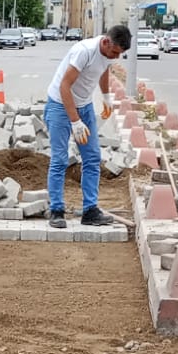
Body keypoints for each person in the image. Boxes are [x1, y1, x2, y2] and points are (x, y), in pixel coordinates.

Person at [44, 24, 131, 229]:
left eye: (120, 54)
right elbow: (64, 86)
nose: (116, 57)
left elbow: (103, 71)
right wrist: (75, 121)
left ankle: (90, 210)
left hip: (84, 106)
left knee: (92, 158)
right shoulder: (84, 52)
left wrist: (107, 96)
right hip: (59, 105)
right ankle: (56, 210)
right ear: (106, 42)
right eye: (114, 52)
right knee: (60, 159)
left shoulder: (107, 55)